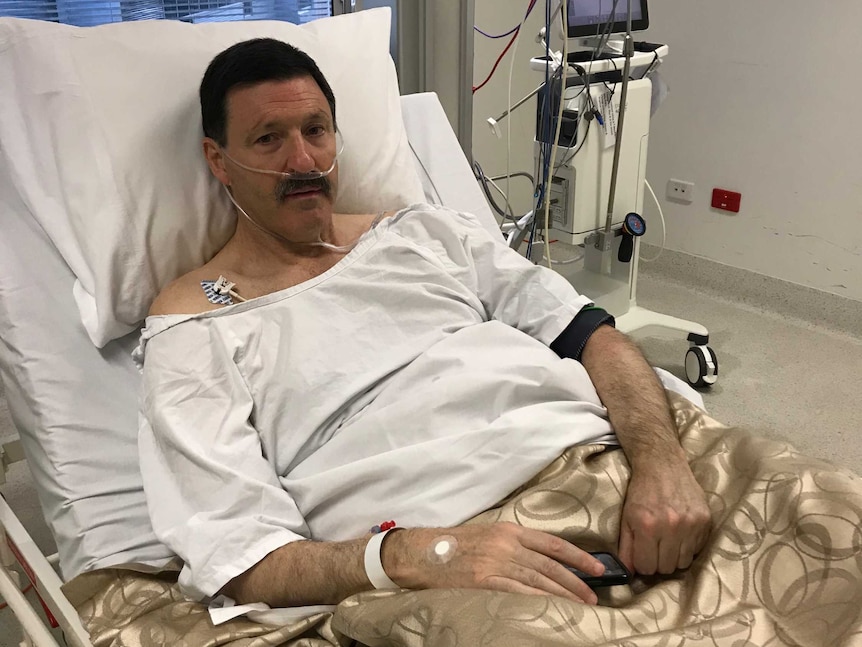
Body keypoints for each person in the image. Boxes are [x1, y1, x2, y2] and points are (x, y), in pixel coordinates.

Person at [138, 37, 711, 611]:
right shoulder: (194, 324)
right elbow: (245, 559)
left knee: (802, 517)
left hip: (611, 459)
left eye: (316, 131)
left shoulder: (421, 234)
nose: (304, 162)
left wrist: (661, 464)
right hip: (445, 549)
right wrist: (420, 555)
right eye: (268, 139)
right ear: (219, 161)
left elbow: (592, 335)